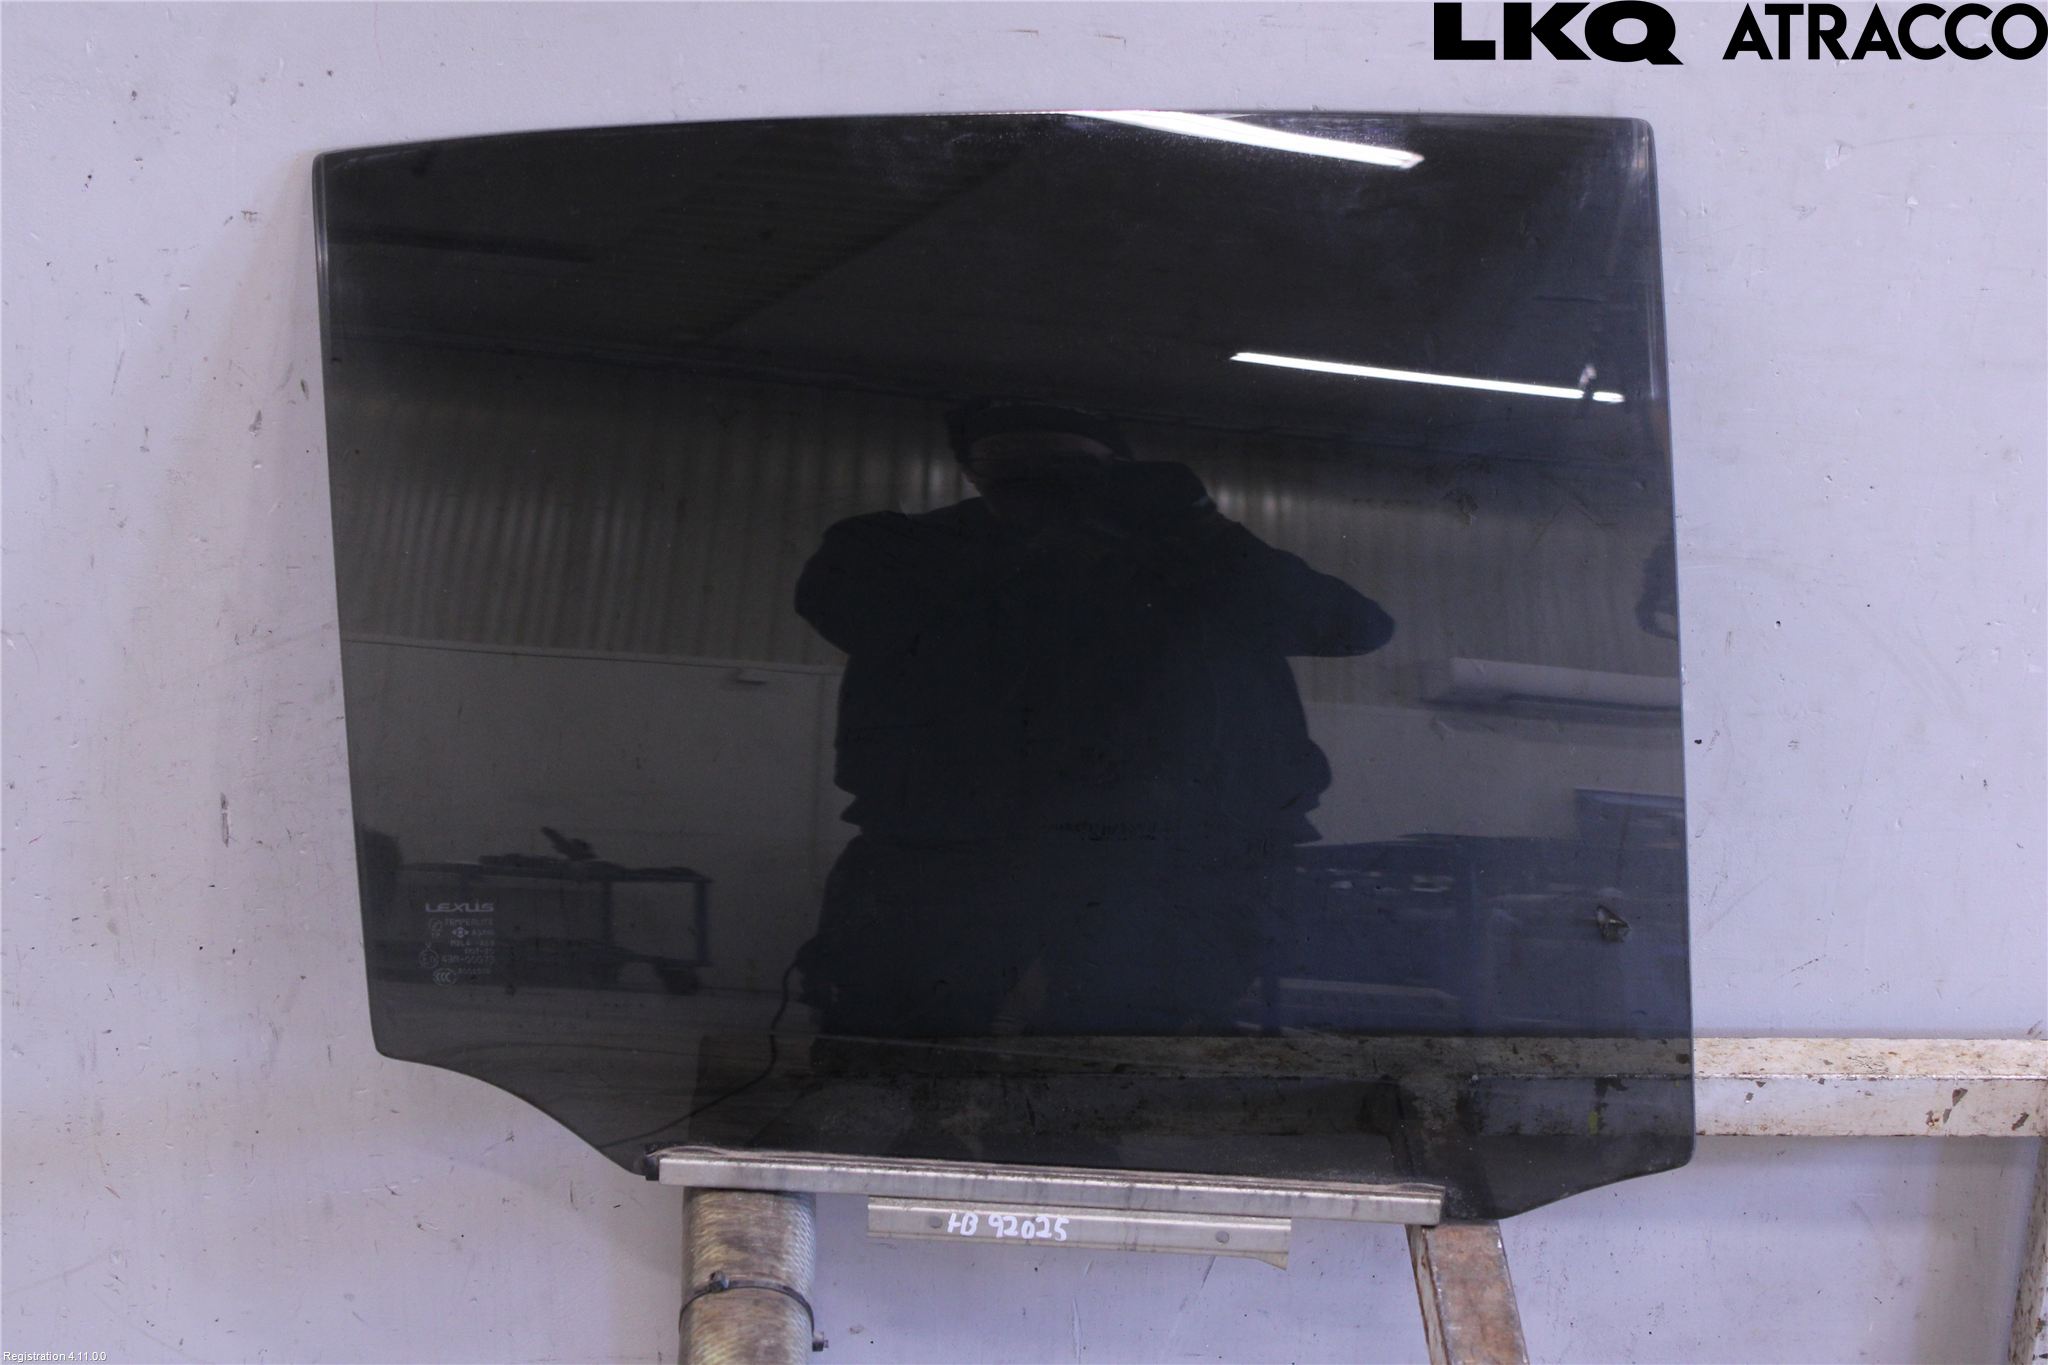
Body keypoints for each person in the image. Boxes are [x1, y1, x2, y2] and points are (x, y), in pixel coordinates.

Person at [793, 401, 1394, 1036]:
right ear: (972, 472)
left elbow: (1354, 627)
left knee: (1119, 1045)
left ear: (1117, 471)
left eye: (1070, 463)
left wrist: (1204, 531)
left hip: (1159, 849)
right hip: (962, 842)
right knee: (899, 1038)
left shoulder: (1189, 558)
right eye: (1015, 462)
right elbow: (839, 601)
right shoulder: (907, 551)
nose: (1046, 480)